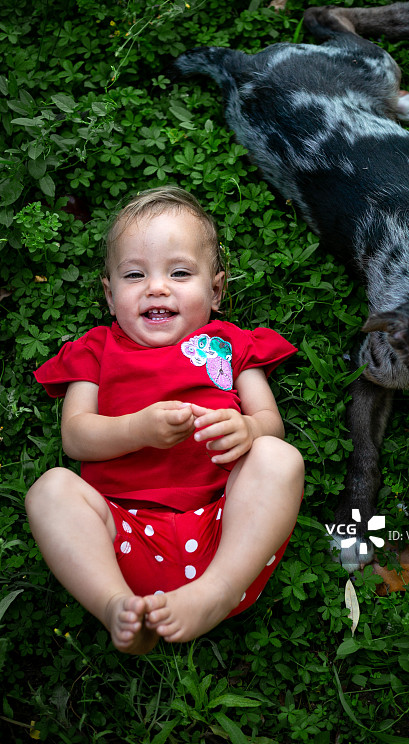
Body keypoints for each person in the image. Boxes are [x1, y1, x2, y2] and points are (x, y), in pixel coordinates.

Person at [26, 186, 305, 654]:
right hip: (122, 533)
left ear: (215, 290)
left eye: (179, 272)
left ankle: (215, 593)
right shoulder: (96, 350)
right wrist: (138, 430)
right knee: (51, 489)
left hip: (224, 527)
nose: (157, 287)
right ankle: (117, 606)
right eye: (135, 275)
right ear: (110, 295)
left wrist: (249, 430)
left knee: (278, 457)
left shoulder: (231, 344)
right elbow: (75, 436)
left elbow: (269, 422)